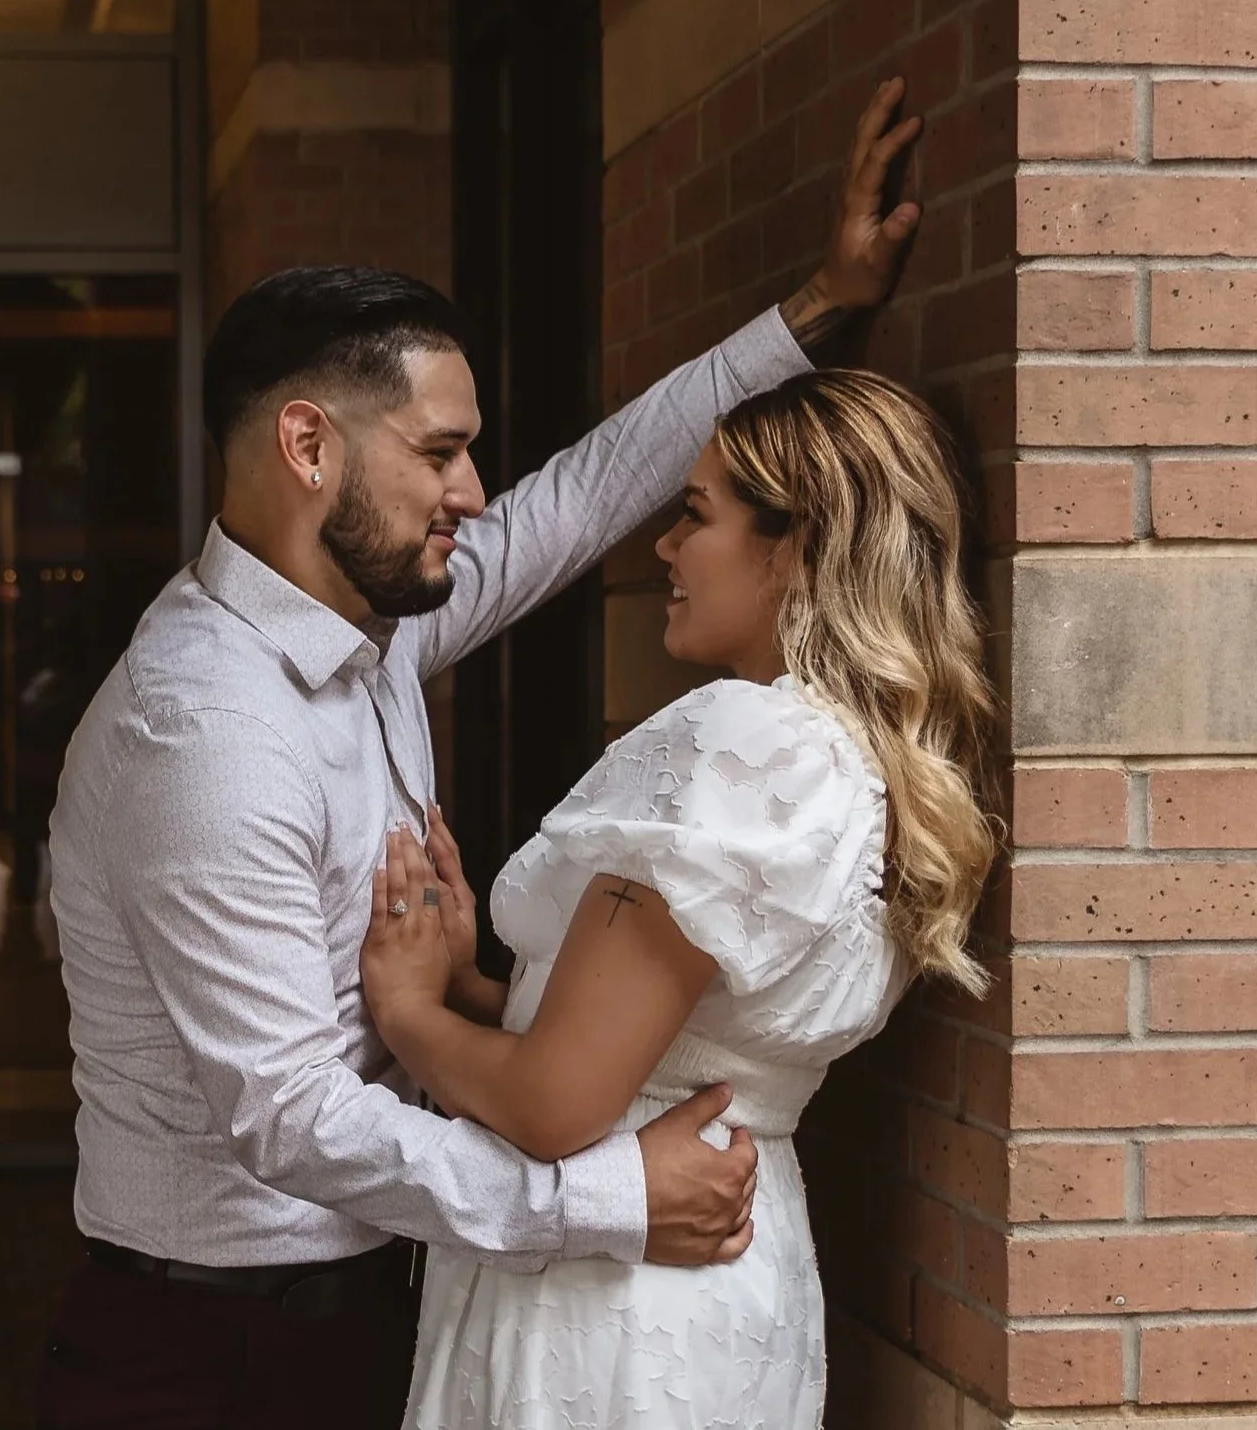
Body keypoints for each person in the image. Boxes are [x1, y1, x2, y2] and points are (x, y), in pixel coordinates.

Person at [37, 80, 924, 1429]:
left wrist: (819, 306)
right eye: (442, 451)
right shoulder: (204, 731)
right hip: (214, 1354)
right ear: (309, 445)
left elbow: (581, 495)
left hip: (367, 1305)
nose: (471, 492)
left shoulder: (373, 617)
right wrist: (609, 1198)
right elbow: (287, 1112)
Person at [363, 369, 996, 1429]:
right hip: (728, 1279)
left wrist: (408, 1011)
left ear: (796, 546)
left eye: (695, 515)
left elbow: (556, 1103)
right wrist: (483, 989)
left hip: (614, 1289)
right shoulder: (854, 760)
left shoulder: (740, 744)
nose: (663, 547)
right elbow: (689, 1044)